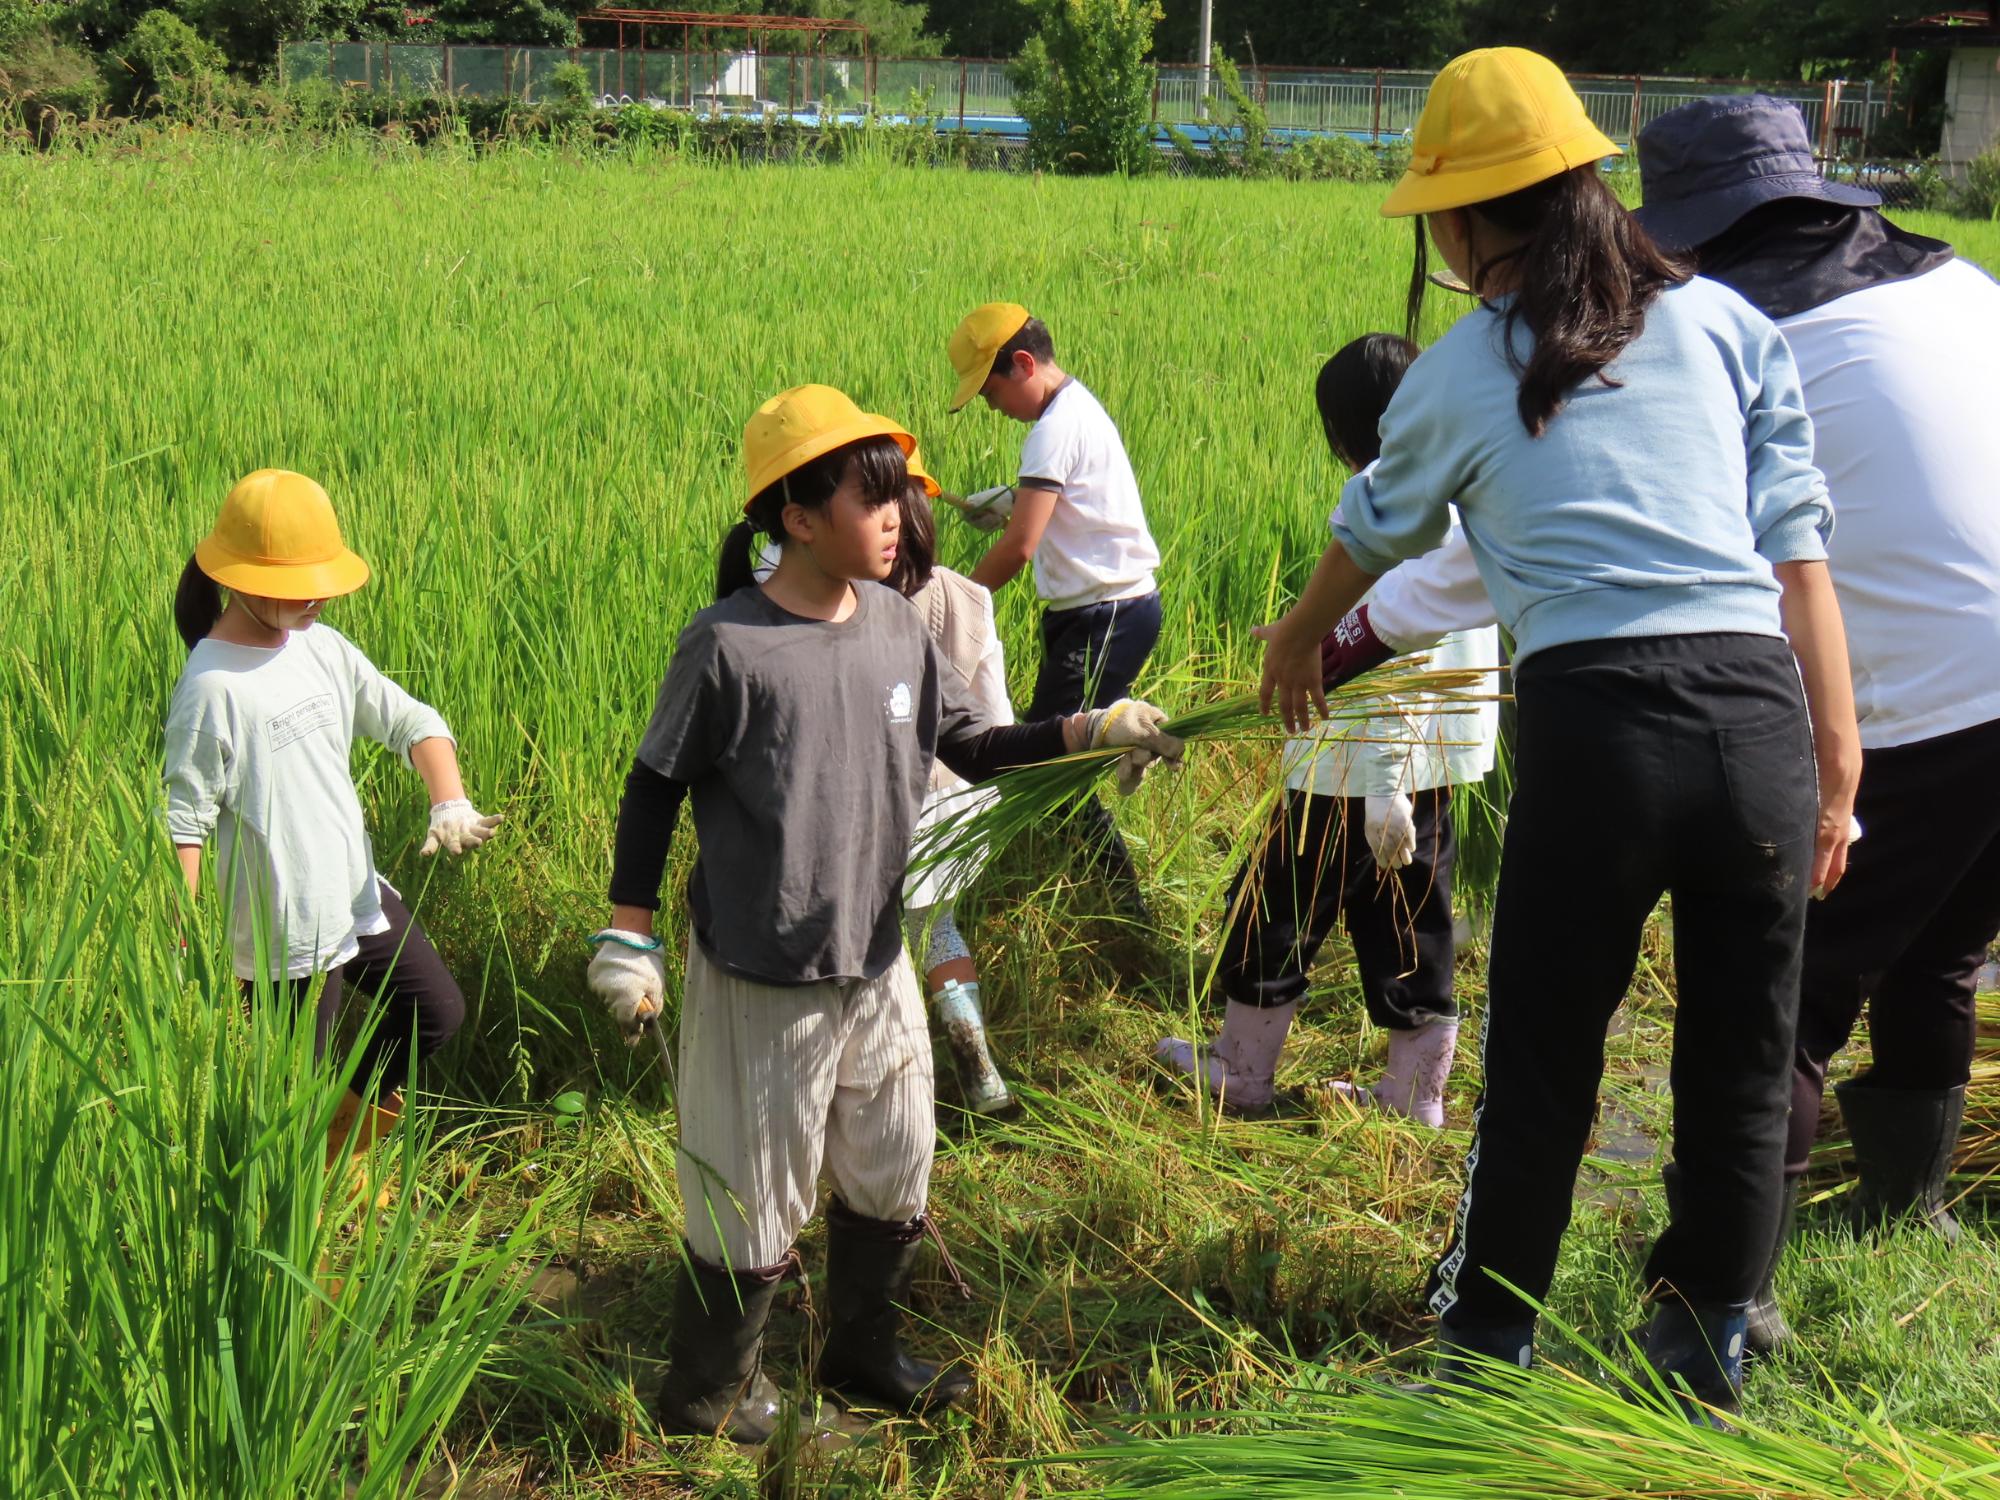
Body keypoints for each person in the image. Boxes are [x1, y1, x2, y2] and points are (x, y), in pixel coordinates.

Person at [1251, 50, 1857, 1421]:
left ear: (1460, 224)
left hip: (1603, 736)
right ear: (1589, 181)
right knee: (1743, 1060)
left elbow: (1373, 531)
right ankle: (1708, 1351)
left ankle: (1487, 1351)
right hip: (1761, 717)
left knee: (1545, 1060)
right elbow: (1801, 549)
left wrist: (1295, 644)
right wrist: (1840, 753)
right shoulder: (1726, 326)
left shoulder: (1466, 368)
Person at [585, 386, 1181, 1443]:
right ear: (798, 520)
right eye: (871, 499)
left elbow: (971, 744)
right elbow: (652, 785)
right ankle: (709, 1392)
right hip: (762, 967)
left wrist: (1091, 727)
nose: (898, 515)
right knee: (751, 1191)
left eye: (898, 494)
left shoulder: (901, 622)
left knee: (898, 1155)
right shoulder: (728, 646)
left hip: (874, 950)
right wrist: (628, 935)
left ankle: (859, 1350)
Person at [1631, 95, 2000, 1350]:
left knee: (1773, 1001)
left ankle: (1716, 1307)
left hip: (1913, 709)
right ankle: (1911, 1205)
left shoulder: (1728, 337)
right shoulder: (1958, 281)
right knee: (1940, 947)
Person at [1157, 334, 1501, 1121]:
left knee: (1276, 905)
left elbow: (1397, 653)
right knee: (1414, 913)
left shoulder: (1388, 492)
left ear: (1347, 431)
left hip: (1353, 767)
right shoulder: (1472, 488)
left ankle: (1240, 1076)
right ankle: (1415, 1098)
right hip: (1440, 762)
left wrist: (1381, 786)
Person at [165, 469, 501, 1201]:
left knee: (434, 1013)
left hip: (355, 898)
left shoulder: (320, 647)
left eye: (323, 578)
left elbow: (412, 721)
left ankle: (344, 1142)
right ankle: (297, 1231)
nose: (318, 596)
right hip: (278, 933)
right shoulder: (213, 686)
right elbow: (185, 821)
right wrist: (181, 933)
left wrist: (448, 799)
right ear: (241, 578)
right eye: (298, 583)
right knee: (290, 1102)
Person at [754, 446, 1018, 1116]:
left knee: (864, 934)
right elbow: (995, 719)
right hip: (955, 798)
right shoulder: (969, 596)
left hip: (870, 802)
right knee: (937, 928)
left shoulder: (844, 597)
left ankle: (860, 1091)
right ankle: (980, 1075)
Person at [946, 302, 1165, 923]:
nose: (991, 408)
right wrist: (1014, 497)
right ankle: (1102, 898)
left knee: (1045, 767)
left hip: (1106, 617)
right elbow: (1059, 501)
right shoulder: (1072, 410)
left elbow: (1020, 547)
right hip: (1099, 615)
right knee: (1052, 761)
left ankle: (1124, 912)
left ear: (1022, 364)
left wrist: (948, 602)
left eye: (990, 393)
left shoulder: (1051, 429)